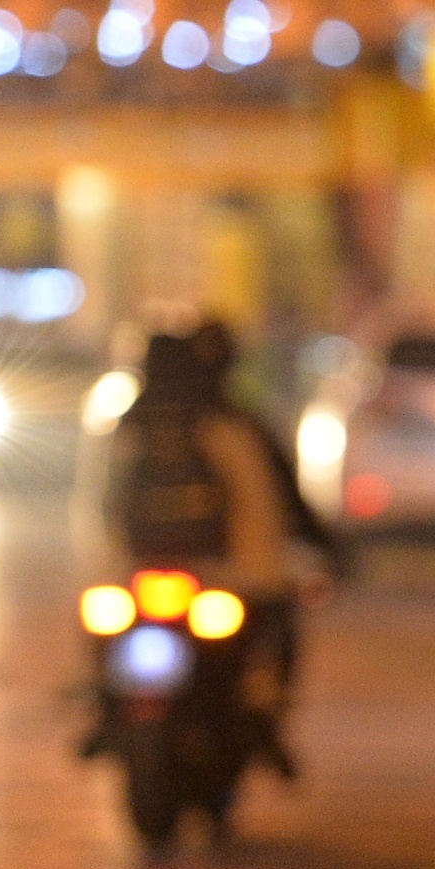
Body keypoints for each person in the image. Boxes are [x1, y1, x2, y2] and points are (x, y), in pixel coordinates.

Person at [110, 328, 308, 773]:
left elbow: (101, 507)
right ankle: (263, 715)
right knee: (276, 628)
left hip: (137, 573)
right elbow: (267, 506)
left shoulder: (129, 427)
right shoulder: (232, 426)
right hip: (230, 578)